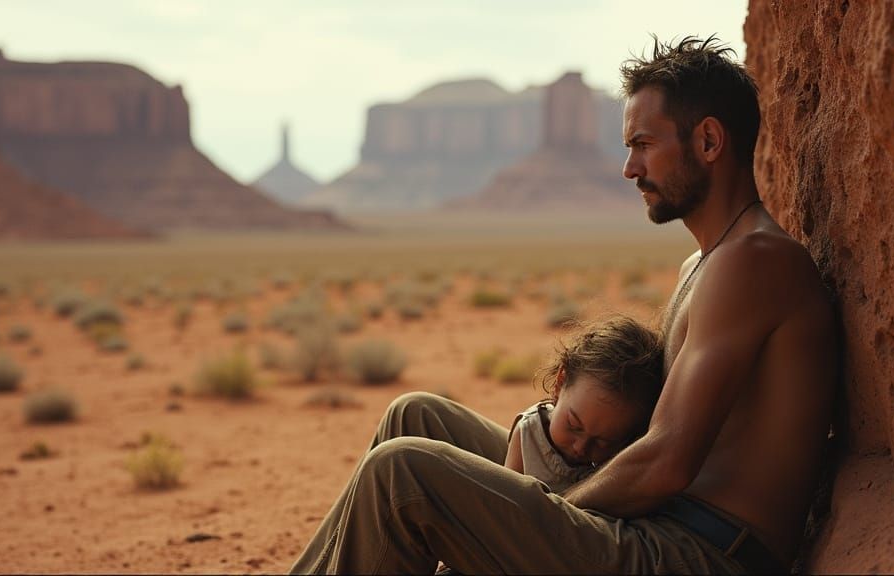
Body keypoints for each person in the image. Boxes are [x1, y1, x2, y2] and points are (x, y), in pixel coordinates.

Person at [290, 35, 837, 575]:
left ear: (709, 141)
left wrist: (534, 515)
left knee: (402, 472)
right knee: (415, 416)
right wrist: (527, 505)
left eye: (643, 145)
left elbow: (667, 462)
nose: (629, 169)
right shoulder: (701, 265)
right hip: (658, 525)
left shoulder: (754, 261)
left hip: (696, 552)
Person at [504, 315, 664, 493]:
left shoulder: (623, 460)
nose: (580, 448)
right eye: (573, 425)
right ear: (560, 383)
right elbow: (508, 499)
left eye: (603, 442)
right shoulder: (528, 434)